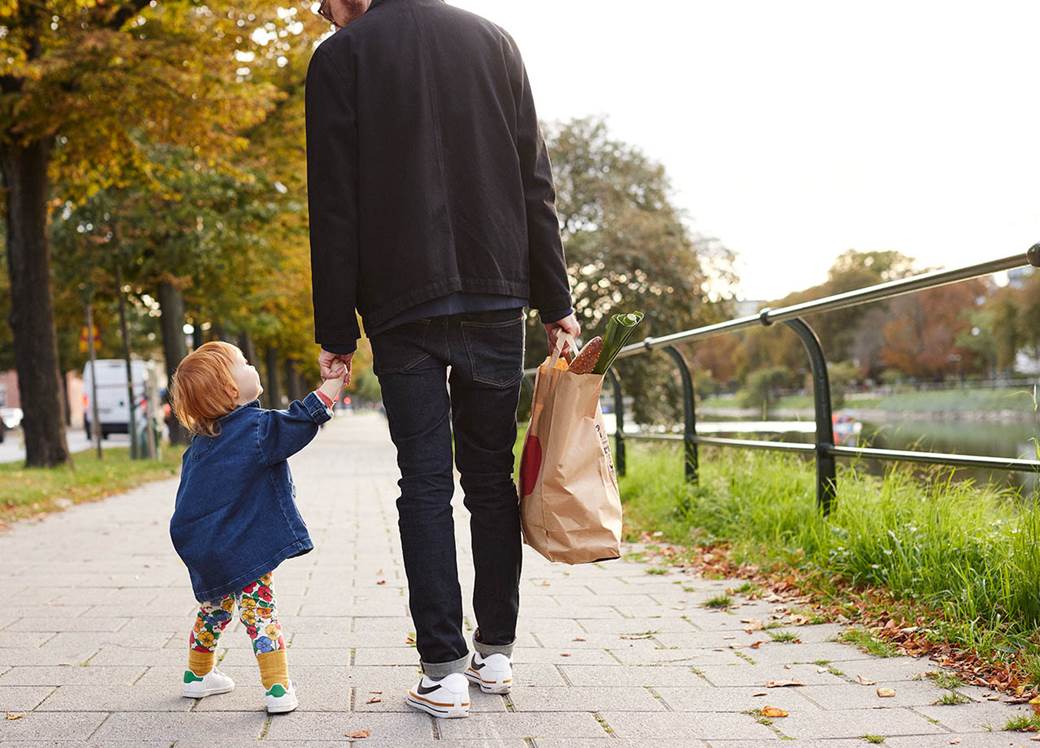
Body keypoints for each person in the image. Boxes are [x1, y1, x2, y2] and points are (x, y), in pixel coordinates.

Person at [306, 0, 579, 719]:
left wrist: (336, 327)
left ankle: (444, 670)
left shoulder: (340, 58)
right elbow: (534, 182)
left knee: (423, 482)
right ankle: (496, 653)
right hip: (497, 293)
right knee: (488, 476)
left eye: (324, 2)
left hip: (401, 304)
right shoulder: (495, 41)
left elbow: (333, 203)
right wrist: (556, 301)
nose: (322, 14)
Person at [168, 341, 345, 714]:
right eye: (243, 363)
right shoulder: (255, 428)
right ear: (231, 389)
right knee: (261, 612)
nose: (251, 365)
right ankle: (277, 688)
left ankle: (197, 676)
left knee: (214, 609)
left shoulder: (202, 443)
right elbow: (299, 421)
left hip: (205, 546)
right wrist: (332, 385)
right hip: (242, 546)